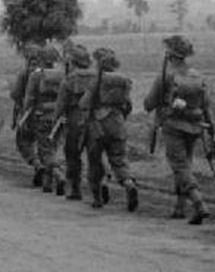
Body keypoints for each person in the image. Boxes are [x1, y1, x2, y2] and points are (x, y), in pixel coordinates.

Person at [142, 35, 212, 224]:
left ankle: (198, 203)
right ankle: (179, 207)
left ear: (169, 54)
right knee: (184, 165)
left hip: (172, 125)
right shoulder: (197, 75)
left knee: (179, 166)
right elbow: (206, 105)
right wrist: (211, 127)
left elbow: (148, 104)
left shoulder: (165, 75)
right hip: (195, 126)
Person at [81, 47, 138, 212]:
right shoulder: (124, 81)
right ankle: (129, 184)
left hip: (97, 127)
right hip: (117, 124)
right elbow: (128, 105)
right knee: (119, 159)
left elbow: (84, 103)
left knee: (95, 163)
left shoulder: (97, 80)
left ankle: (98, 199)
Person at [53, 45, 96, 200]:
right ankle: (99, 185)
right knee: (95, 154)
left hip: (74, 118)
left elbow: (60, 104)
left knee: (72, 154)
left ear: (73, 62)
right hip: (95, 118)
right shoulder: (98, 76)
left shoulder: (70, 79)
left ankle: (76, 189)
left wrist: (55, 122)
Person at [19, 46, 64, 191]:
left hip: (41, 115)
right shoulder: (63, 75)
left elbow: (29, 99)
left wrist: (24, 117)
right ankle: (47, 184)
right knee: (53, 147)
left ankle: (57, 174)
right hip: (57, 117)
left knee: (44, 150)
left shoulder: (36, 75)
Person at [10, 50, 37, 168]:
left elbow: (15, 95)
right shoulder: (53, 74)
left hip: (28, 114)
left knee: (23, 142)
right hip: (50, 114)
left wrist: (15, 118)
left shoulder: (24, 74)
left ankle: (36, 163)